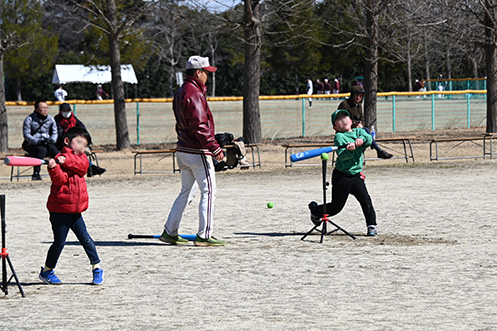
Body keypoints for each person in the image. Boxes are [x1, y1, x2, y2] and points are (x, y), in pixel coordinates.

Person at [159, 55, 226, 247]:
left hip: (183, 148)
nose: (208, 76)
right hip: (197, 150)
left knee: (186, 193)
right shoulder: (195, 93)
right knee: (209, 191)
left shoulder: (181, 91)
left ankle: (170, 232)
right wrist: (214, 147)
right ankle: (204, 235)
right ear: (198, 72)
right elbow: (199, 125)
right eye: (206, 72)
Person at [39, 126, 103, 285]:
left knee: (86, 239)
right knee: (59, 242)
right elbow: (59, 180)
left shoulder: (80, 158)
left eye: (84, 144)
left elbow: (82, 168)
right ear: (67, 141)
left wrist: (66, 160)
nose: (82, 146)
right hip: (59, 210)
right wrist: (54, 168)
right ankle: (47, 271)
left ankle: (97, 267)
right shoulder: (58, 158)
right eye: (79, 142)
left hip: (75, 210)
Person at [309, 109, 378, 236]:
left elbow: (369, 138)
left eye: (345, 117)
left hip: (356, 176)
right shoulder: (339, 137)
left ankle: (371, 225)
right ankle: (315, 211)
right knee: (336, 207)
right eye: (339, 120)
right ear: (335, 127)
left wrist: (362, 140)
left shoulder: (359, 131)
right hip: (342, 177)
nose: (343, 120)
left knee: (366, 200)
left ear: (351, 121)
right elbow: (342, 156)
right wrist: (350, 150)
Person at [337, 85, 393, 159]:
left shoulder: (359, 105)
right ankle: (378, 151)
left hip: (357, 129)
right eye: (357, 95)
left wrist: (360, 124)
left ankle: (373, 152)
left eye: (360, 96)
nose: (358, 98)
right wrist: (354, 124)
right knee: (366, 131)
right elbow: (342, 119)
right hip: (346, 131)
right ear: (352, 95)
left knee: (365, 133)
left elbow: (362, 118)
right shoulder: (344, 104)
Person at [54, 103, 106, 176]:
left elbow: (82, 128)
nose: (67, 112)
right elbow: (60, 134)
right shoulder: (57, 120)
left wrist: (87, 139)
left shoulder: (73, 118)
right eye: (64, 110)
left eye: (68, 110)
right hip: (63, 143)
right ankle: (91, 167)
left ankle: (90, 167)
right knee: (78, 151)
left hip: (74, 142)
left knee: (81, 150)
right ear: (60, 111)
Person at [22, 100, 59, 180]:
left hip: (46, 142)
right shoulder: (29, 119)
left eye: (46, 107)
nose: (45, 110)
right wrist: (37, 141)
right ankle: (36, 173)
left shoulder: (51, 119)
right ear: (36, 109)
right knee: (41, 150)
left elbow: (55, 132)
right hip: (32, 144)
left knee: (54, 150)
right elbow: (26, 135)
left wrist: (52, 140)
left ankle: (60, 171)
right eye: (42, 108)